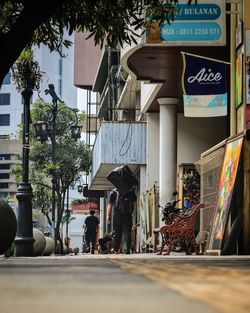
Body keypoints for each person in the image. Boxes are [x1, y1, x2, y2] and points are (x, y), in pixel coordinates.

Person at [107, 188, 137, 254]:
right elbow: (134, 204)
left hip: (117, 215)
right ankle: (126, 249)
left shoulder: (113, 192)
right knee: (127, 232)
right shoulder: (131, 192)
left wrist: (108, 216)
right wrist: (132, 212)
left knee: (117, 233)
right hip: (128, 215)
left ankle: (116, 249)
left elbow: (110, 205)